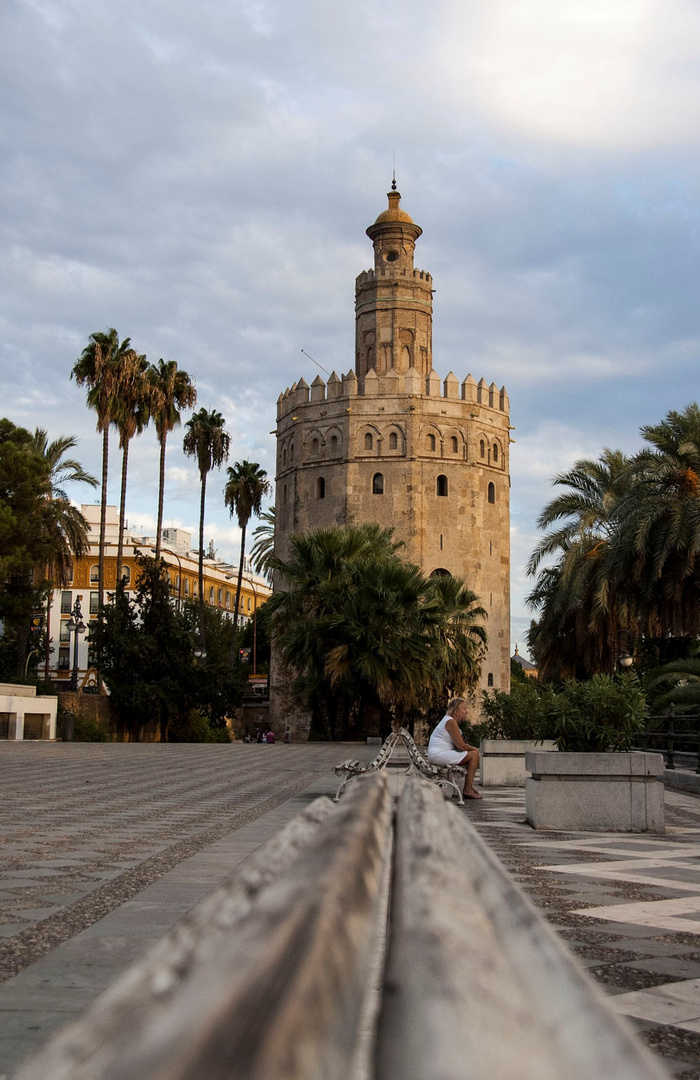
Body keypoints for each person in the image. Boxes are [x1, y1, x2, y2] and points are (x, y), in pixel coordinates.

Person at [427, 697, 482, 800]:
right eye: (464, 709)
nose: (467, 711)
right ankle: (467, 789)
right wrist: (474, 748)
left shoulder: (449, 720)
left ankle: (468, 787)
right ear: (456, 711)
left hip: (439, 754)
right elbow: (460, 745)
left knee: (472, 754)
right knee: (473, 755)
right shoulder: (451, 722)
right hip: (439, 755)